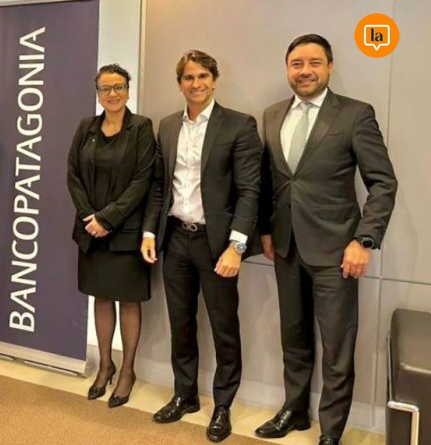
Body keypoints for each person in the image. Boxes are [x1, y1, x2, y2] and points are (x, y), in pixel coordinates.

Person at [255, 34, 397, 445]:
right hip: (286, 247)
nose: (305, 71)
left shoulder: (354, 114)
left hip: (337, 252)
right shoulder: (271, 114)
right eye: (296, 63)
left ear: (330, 66)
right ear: (287, 69)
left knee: (337, 346)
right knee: (293, 337)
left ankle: (331, 430)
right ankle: (295, 410)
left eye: (314, 63)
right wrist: (266, 229)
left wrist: (364, 240)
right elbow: (269, 181)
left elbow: (383, 183)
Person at [140, 50, 261, 442]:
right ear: (180, 84)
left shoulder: (239, 125)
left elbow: (250, 191)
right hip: (176, 238)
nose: (196, 84)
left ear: (215, 80)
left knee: (224, 326)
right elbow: (159, 186)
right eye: (189, 77)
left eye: (203, 76)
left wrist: (236, 247)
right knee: (180, 323)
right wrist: (149, 232)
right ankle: (185, 394)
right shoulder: (167, 125)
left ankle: (223, 405)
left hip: (217, 244)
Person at [66, 64, 154, 408]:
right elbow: (73, 174)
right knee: (101, 298)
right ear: (98, 93)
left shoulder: (141, 127)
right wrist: (91, 217)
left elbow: (143, 181)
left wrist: (107, 218)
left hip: (126, 232)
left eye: (118, 87)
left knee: (128, 301)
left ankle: (128, 371)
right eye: (105, 88)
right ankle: (105, 366)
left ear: (128, 91)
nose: (112, 94)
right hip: (91, 231)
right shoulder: (85, 127)